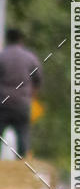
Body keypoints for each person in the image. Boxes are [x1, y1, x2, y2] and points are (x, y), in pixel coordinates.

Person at [0, 28, 42, 158]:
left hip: (3, 103)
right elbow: (38, 80)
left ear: (7, 39)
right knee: (23, 136)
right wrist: (31, 96)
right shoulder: (30, 58)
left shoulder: (2, 56)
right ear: (21, 40)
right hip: (22, 104)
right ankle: (22, 163)